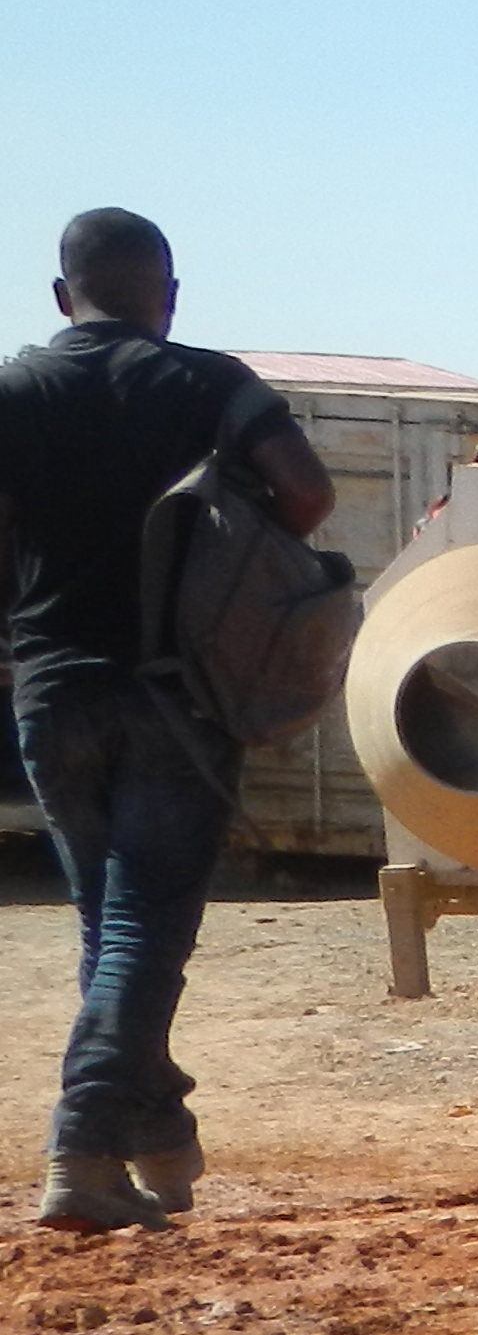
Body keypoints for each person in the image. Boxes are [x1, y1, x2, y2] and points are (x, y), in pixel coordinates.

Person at [0, 212, 333, 1230]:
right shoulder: (205, 382)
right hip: (176, 693)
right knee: (144, 926)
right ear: (168, 295)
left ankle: (161, 1137)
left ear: (64, 298)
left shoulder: (13, 390)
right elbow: (309, 494)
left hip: (51, 694)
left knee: (113, 929)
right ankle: (82, 1147)